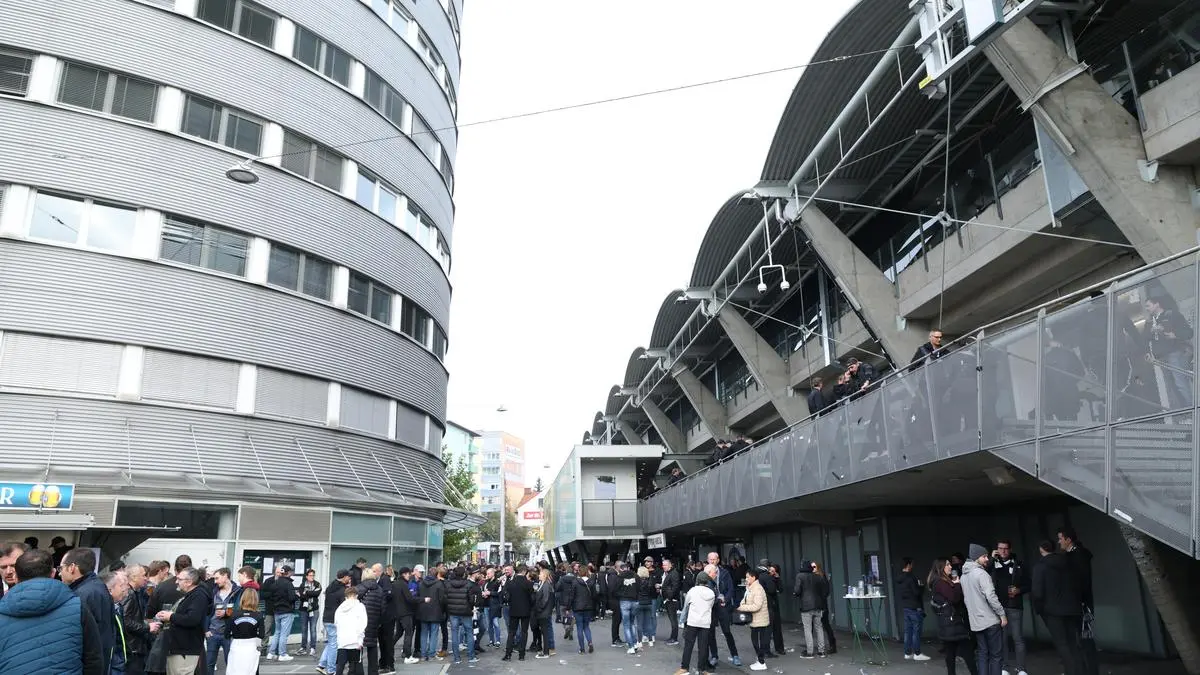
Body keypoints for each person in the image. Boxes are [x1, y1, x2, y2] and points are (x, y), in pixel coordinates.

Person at [0, 549, 104, 674]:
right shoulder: (78, 607)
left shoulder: (2, 611)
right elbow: (93, 659)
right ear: (53, 573)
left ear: (15, 576)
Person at [61, 547, 116, 675]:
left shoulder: (83, 594)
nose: (59, 573)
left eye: (61, 568)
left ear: (72, 568)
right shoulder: (97, 586)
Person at [961, 544, 1007, 675]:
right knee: (996, 655)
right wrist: (1002, 614)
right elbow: (991, 597)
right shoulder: (981, 574)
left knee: (982, 654)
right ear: (976, 558)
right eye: (984, 556)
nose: (987, 559)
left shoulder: (963, 576)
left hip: (976, 622)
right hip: (990, 621)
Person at [153, 567, 209, 675]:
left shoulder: (198, 595)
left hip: (185, 650)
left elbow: (192, 619)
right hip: (180, 648)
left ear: (189, 582)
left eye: (179, 579)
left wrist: (171, 616)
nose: (176, 582)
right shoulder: (192, 595)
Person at [929, 558, 978, 675]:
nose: (950, 567)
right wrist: (957, 585)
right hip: (953, 623)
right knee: (967, 653)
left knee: (950, 654)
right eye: (948, 565)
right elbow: (954, 598)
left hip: (948, 623)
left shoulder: (939, 582)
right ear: (941, 567)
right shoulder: (941, 583)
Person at [990, 541, 1029, 675]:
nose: (1003, 551)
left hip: (1014, 605)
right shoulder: (993, 564)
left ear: (1010, 549)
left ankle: (1021, 669)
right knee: (1002, 639)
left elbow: (1029, 584)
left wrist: (1019, 590)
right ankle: (1004, 667)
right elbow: (983, 573)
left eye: (1006, 549)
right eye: (1000, 548)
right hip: (998, 606)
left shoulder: (1019, 564)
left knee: (1018, 638)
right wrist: (991, 559)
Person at [674, 571, 715, 675]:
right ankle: (701, 669)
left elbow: (686, 606)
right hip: (705, 622)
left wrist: (682, 620)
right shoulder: (711, 593)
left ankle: (684, 668)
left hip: (692, 621)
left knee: (688, 646)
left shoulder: (692, 591)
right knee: (703, 647)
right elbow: (710, 606)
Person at [736, 567, 770, 671]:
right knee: (755, 641)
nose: (746, 579)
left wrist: (743, 608)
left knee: (758, 642)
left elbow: (757, 606)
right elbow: (744, 600)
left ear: (753, 577)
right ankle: (760, 660)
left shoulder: (757, 589)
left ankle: (761, 662)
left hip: (760, 620)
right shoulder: (750, 588)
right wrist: (742, 605)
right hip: (754, 620)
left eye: (747, 577)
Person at [896, 557, 930, 661]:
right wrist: (921, 587)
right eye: (912, 564)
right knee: (916, 632)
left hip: (905, 607)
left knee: (908, 631)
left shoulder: (899, 578)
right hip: (915, 607)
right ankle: (917, 653)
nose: (913, 566)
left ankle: (907, 653)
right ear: (908, 565)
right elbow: (916, 593)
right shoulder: (911, 578)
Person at [319, 570, 353, 675]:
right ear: (344, 577)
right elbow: (345, 606)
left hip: (326, 618)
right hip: (335, 620)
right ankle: (331, 670)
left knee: (331, 643)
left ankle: (322, 664)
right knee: (334, 645)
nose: (350, 579)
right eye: (348, 577)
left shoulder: (330, 586)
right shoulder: (342, 590)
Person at [224, 587, 264, 675]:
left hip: (236, 646)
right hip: (251, 646)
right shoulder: (259, 615)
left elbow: (226, 634)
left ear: (242, 599)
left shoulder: (233, 614)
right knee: (251, 670)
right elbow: (262, 634)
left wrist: (233, 635)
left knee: (235, 671)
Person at [794, 558, 828, 658]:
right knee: (819, 628)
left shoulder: (800, 576)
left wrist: (796, 593)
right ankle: (821, 651)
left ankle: (810, 652)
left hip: (806, 607)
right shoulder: (818, 577)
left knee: (808, 629)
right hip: (818, 606)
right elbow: (824, 592)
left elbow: (797, 590)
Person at [502, 565, 534, 661]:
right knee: (524, 632)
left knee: (511, 632)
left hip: (513, 610)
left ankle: (508, 654)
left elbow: (506, 597)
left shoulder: (510, 583)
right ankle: (521, 655)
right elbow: (532, 598)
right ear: (524, 572)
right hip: (525, 611)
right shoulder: (528, 583)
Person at [334, 585, 368, 675]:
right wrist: (360, 640)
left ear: (346, 596)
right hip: (355, 641)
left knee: (340, 666)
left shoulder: (340, 608)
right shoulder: (360, 606)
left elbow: (336, 623)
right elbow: (363, 624)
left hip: (342, 641)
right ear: (356, 595)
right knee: (356, 666)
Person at [417, 566, 447, 662]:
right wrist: (442, 610)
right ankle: (431, 655)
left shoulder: (421, 583)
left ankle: (423, 655)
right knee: (434, 633)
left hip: (423, 611)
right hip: (435, 611)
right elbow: (442, 599)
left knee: (423, 633)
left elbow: (418, 596)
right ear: (437, 574)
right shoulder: (439, 584)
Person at [566, 563, 597, 654]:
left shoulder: (575, 582)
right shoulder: (591, 582)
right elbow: (595, 596)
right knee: (586, 626)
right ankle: (590, 642)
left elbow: (571, 596)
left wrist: (568, 607)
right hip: (588, 607)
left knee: (579, 627)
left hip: (577, 607)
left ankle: (582, 649)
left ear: (579, 572)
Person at [533, 568, 556, 659]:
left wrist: (539, 608)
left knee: (545, 632)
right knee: (544, 632)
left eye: (540, 574)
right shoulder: (542, 584)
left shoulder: (546, 585)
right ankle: (546, 651)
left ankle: (546, 652)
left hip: (544, 612)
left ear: (545, 575)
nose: (539, 575)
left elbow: (545, 599)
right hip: (543, 612)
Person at [298, 569, 322, 657]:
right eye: (310, 575)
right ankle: (303, 647)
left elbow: (316, 594)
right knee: (304, 629)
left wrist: (306, 592)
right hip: (303, 610)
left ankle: (313, 647)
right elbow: (301, 596)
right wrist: (308, 593)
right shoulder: (302, 584)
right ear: (306, 576)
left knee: (313, 629)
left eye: (313, 575)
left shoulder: (317, 584)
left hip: (314, 609)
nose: (312, 577)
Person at [660, 558, 682, 647]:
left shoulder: (673, 573)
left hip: (671, 600)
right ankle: (673, 637)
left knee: (673, 620)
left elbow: (675, 587)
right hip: (670, 600)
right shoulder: (670, 573)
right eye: (663, 565)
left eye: (665, 565)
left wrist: (669, 598)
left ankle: (674, 638)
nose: (663, 566)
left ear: (670, 565)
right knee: (672, 620)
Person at [635, 566, 657, 649]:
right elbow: (652, 593)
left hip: (639, 603)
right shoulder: (650, 582)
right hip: (648, 603)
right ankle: (650, 641)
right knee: (649, 623)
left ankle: (639, 641)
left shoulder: (637, 582)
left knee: (639, 623)